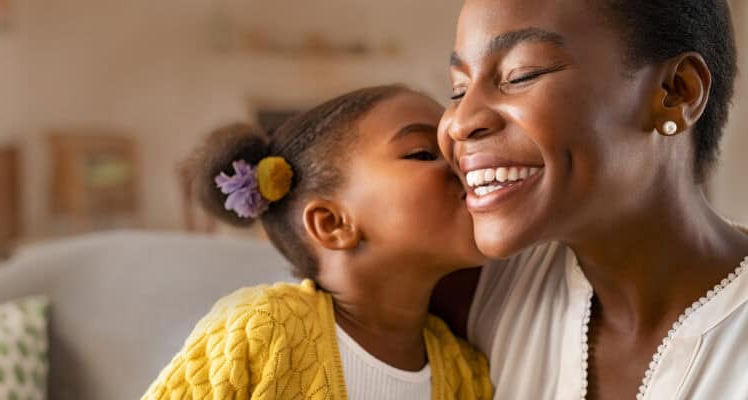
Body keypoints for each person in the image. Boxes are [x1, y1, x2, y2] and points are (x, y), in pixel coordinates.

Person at [432, 0, 748, 399]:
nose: (459, 122)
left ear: (676, 92)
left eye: (521, 75)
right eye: (458, 90)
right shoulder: (473, 294)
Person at [143, 85, 493, 400]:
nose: (466, 165)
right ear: (333, 223)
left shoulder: (466, 373)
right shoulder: (262, 328)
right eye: (422, 153)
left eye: (458, 151)